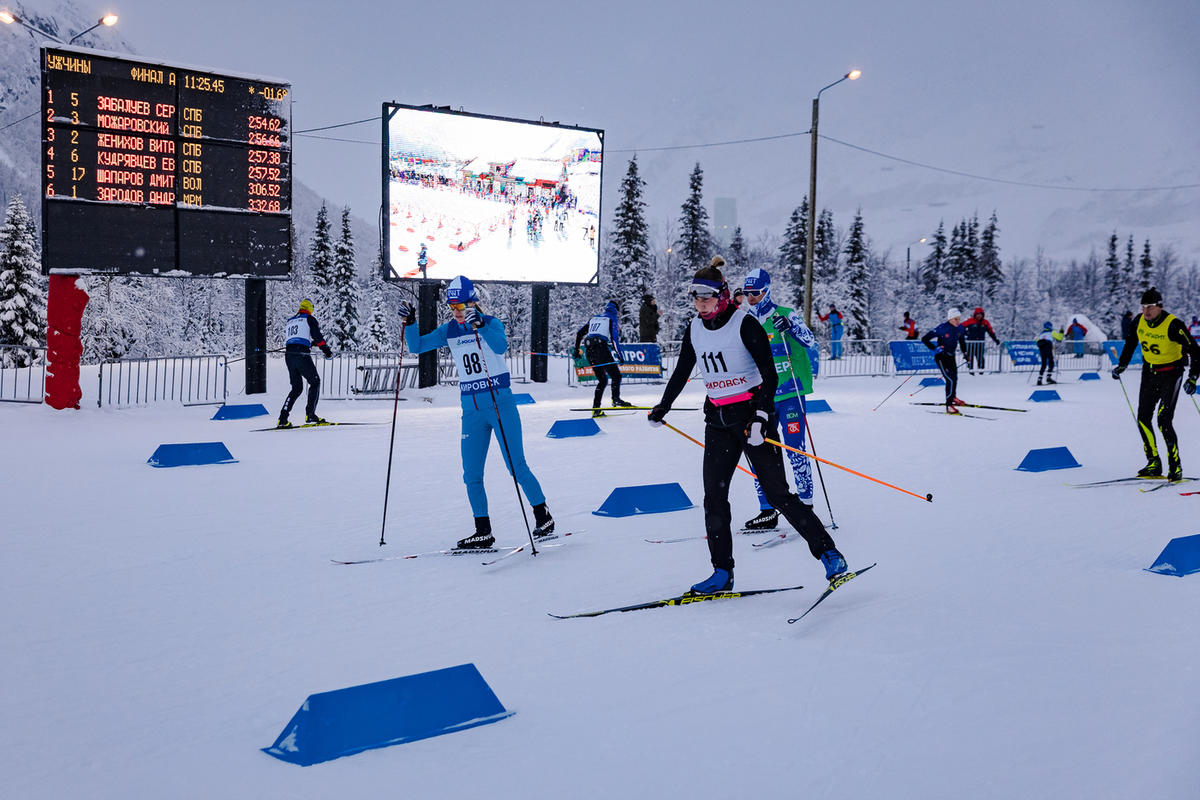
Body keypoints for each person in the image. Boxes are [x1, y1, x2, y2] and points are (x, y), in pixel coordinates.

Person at [647, 257, 847, 594]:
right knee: (714, 498)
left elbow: (770, 375)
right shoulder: (695, 328)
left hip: (751, 417)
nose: (701, 304)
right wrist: (662, 407)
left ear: (723, 295)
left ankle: (829, 553)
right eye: (696, 298)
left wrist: (761, 416)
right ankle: (722, 572)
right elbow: (682, 370)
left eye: (707, 297)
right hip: (718, 420)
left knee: (778, 494)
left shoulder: (745, 324)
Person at [399, 276, 554, 548]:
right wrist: (410, 323)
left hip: (500, 403)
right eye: (453, 308)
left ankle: (543, 515)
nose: (457, 313)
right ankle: (482, 530)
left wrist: (480, 326)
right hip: (471, 409)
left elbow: (500, 346)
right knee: (471, 473)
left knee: (516, 466)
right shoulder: (449, 329)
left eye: (461, 307)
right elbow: (417, 347)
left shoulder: (490, 323)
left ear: (474, 303)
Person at [740, 267, 821, 531]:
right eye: (747, 293)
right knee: (759, 453)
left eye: (756, 293)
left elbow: (810, 341)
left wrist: (791, 328)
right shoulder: (745, 320)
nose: (751, 297)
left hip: (790, 394)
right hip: (761, 398)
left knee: (795, 450)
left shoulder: (785, 314)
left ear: (767, 291)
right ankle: (767, 509)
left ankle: (806, 504)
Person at [1111, 287, 1200, 482]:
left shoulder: (1173, 324)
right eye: (1143, 307)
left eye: (1150, 307)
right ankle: (1154, 462)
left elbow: (1195, 350)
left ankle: (1175, 466)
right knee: (1143, 417)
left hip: (1171, 373)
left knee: (1163, 420)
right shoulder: (1139, 321)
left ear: (1159, 307)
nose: (1146, 311)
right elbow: (1131, 342)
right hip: (1149, 373)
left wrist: (1193, 377)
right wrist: (1122, 365)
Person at [278, 298, 333, 428]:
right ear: (310, 309)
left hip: (289, 356)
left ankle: (283, 418)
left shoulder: (291, 320)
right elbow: (317, 336)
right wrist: (327, 351)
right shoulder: (309, 319)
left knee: (296, 388)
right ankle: (310, 414)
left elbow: (298, 337)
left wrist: (310, 343)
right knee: (315, 382)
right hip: (301, 355)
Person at [574, 300, 631, 417]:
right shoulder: (611, 319)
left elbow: (579, 333)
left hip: (589, 349)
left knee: (602, 380)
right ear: (616, 310)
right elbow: (615, 340)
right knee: (616, 375)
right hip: (601, 349)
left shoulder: (595, 318)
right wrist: (620, 356)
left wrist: (576, 350)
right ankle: (615, 399)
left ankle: (596, 409)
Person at [921, 308, 968, 413]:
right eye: (956, 319)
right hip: (941, 357)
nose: (958, 321)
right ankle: (949, 405)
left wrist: (965, 353)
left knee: (954, 378)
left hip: (951, 357)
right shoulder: (942, 328)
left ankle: (953, 398)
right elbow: (925, 339)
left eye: (959, 319)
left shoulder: (960, 328)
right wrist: (934, 349)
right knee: (950, 379)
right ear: (950, 318)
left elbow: (962, 342)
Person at [961, 307, 1001, 374]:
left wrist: (995, 340)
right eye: (977, 314)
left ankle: (981, 371)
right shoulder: (970, 321)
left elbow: (990, 332)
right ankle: (971, 372)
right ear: (975, 315)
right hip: (970, 344)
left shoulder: (985, 322)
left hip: (980, 344)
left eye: (980, 314)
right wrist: (965, 334)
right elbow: (961, 327)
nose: (979, 316)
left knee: (980, 358)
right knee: (970, 358)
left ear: (983, 315)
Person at [1036, 321, 1060, 385]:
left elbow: (1037, 341)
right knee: (1051, 362)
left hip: (1042, 348)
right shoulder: (1052, 332)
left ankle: (1039, 379)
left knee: (1043, 364)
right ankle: (1048, 377)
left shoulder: (1041, 333)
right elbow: (1059, 338)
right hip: (1048, 347)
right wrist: (1061, 332)